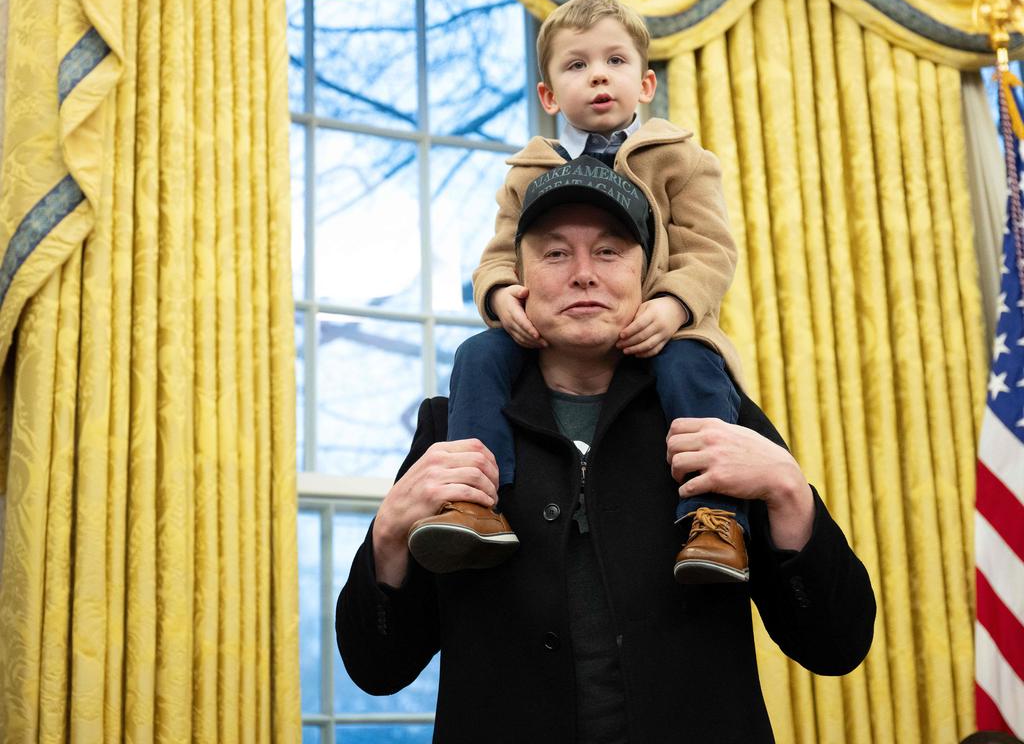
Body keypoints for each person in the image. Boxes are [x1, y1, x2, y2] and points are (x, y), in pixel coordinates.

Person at [336, 166, 876, 743]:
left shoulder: (721, 417)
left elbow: (836, 645)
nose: (584, 275)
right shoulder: (450, 427)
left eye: (610, 251)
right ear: (518, 280)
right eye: (556, 254)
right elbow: (378, 668)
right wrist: (389, 533)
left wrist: (791, 493)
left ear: (647, 278)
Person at [409, 0, 748, 584]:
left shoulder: (680, 159)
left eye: (615, 61)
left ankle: (714, 517)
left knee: (692, 369)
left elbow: (710, 249)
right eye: (575, 65)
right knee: (478, 354)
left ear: (644, 84)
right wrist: (499, 296)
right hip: (557, 330)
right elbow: (499, 255)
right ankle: (475, 501)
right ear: (548, 96)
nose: (597, 75)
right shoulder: (529, 171)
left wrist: (672, 305)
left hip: (665, 326)